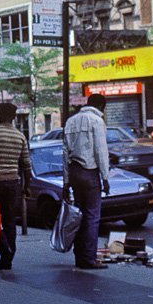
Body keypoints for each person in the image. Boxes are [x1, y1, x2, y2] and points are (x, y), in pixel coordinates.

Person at [0, 101, 32, 271]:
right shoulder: (20, 136)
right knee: (10, 220)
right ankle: (8, 257)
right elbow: (26, 163)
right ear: (14, 117)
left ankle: (5, 251)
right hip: (13, 183)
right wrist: (27, 185)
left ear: (0, 116)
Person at [63, 93, 110, 270]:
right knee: (92, 216)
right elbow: (101, 151)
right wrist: (105, 177)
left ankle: (79, 256)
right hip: (90, 172)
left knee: (79, 216)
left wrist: (66, 182)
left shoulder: (71, 121)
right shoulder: (96, 121)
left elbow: (64, 153)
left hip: (74, 172)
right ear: (101, 106)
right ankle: (89, 258)